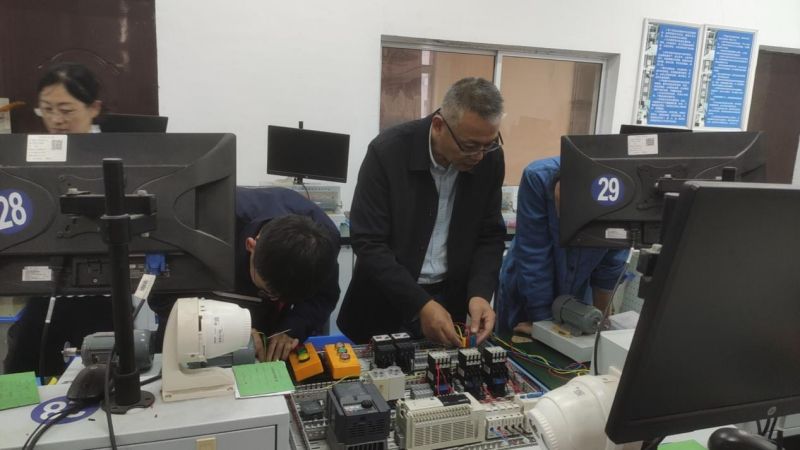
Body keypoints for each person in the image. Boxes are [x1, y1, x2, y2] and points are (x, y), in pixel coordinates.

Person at [338, 77, 506, 347]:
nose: (479, 156)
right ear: (439, 125)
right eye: (469, 146)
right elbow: (368, 242)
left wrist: (480, 293)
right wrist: (420, 304)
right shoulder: (388, 152)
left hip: (450, 299)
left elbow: (490, 236)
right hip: (386, 299)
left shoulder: (490, 160)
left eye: (489, 143)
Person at [149, 186, 340, 362]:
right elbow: (161, 299)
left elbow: (323, 296)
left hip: (262, 331)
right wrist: (231, 327)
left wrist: (291, 329)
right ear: (251, 246)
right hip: (200, 329)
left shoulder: (321, 243)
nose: (277, 300)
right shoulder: (204, 223)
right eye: (269, 292)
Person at [4, 62, 109, 377]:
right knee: (18, 374)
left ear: (93, 108)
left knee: (102, 376)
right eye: (47, 110)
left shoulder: (120, 156)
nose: (56, 120)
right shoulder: (30, 157)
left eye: (66, 110)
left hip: (104, 293)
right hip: (45, 287)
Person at [495, 157, 629, 335]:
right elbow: (534, 258)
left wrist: (601, 323)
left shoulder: (622, 191)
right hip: (527, 290)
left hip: (579, 293)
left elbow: (611, 265)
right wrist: (543, 325)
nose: (559, 214)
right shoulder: (538, 177)